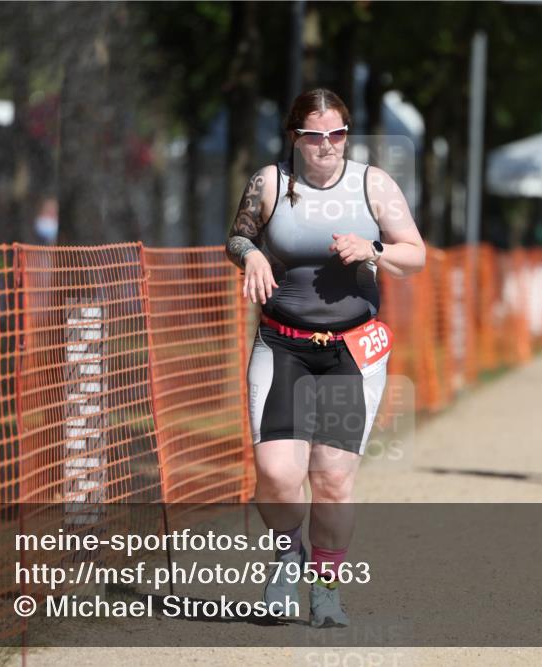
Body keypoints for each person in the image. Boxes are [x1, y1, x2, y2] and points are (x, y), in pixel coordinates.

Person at [224, 88, 425, 627]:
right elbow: (237, 237)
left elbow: (416, 254)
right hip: (282, 344)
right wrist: (252, 256)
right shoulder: (270, 183)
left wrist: (374, 249)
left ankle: (326, 590)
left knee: (333, 480)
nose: (328, 144)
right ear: (296, 136)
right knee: (276, 474)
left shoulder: (373, 185)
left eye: (338, 133)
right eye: (316, 135)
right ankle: (288, 553)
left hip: (351, 351)